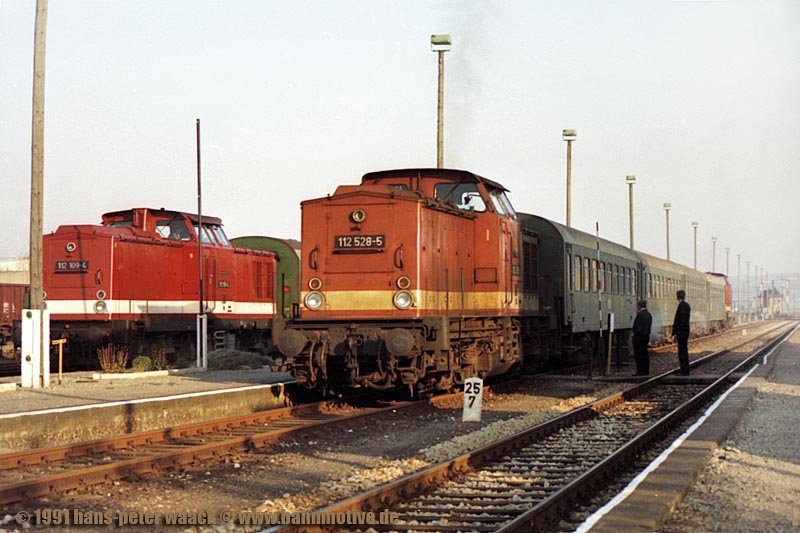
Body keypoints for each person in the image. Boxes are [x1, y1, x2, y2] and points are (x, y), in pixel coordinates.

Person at [672, 289, 692, 375]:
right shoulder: (686, 305)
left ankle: (684, 370)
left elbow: (681, 320)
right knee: (683, 350)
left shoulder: (682, 306)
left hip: (682, 332)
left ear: (677, 297)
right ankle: (684, 369)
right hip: (684, 331)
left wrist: (678, 332)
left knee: (682, 351)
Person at [632, 300, 652, 376]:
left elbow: (638, 327)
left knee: (639, 355)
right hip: (646, 337)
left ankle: (640, 371)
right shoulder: (649, 315)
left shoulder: (640, 315)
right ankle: (646, 370)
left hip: (639, 337)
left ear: (639, 306)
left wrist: (635, 334)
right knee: (645, 354)